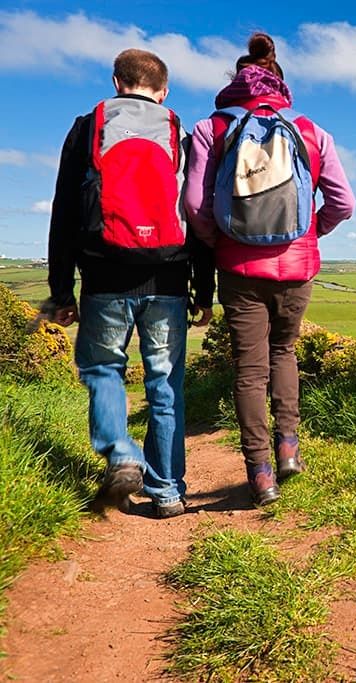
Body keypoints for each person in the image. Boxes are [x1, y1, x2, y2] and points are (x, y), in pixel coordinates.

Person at [184, 33, 355, 506]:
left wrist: (223, 242)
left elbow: (196, 206)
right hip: (299, 268)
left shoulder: (211, 129)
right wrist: (310, 233)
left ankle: (259, 474)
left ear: (237, 82)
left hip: (239, 269)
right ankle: (289, 448)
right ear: (280, 84)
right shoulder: (311, 131)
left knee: (248, 370)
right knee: (284, 352)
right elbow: (344, 202)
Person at [48, 48, 214, 519]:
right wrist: (205, 290)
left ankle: (121, 452)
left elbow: (64, 212)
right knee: (166, 383)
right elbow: (197, 214)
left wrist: (61, 288)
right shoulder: (179, 131)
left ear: (118, 82)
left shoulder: (88, 127)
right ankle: (166, 492)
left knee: (103, 370)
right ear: (163, 92)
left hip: (103, 275)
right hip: (168, 276)